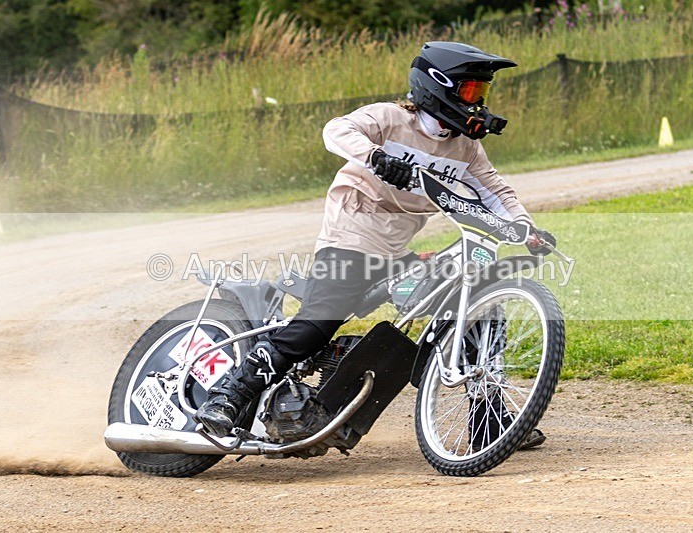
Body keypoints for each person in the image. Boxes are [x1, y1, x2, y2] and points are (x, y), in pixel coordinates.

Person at [195, 41, 555, 450]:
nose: (477, 103)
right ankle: (229, 395)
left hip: (395, 251)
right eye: (470, 91)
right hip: (350, 235)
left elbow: (495, 192)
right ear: (438, 85)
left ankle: (488, 419)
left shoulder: (466, 148)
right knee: (317, 324)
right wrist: (375, 157)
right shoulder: (390, 118)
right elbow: (336, 130)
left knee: (473, 308)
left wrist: (526, 228)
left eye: (482, 93)